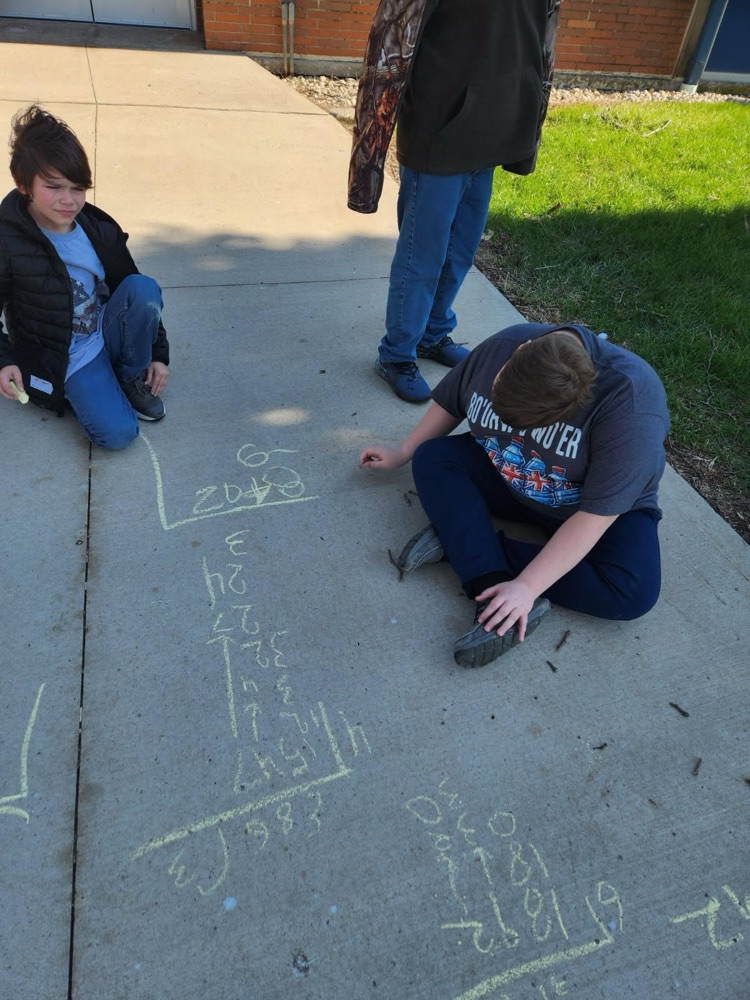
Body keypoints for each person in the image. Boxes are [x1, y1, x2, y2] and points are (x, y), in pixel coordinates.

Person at [359, 322, 670, 668]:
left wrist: (528, 586)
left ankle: (460, 544)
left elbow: (596, 516)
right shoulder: (502, 344)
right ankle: (486, 575)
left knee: (632, 592)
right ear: (520, 350)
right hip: (509, 477)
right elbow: (452, 402)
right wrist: (402, 452)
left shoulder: (633, 405)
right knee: (434, 456)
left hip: (587, 507)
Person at [348, 0, 561, 402]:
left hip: (493, 131)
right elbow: (388, 47)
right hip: (439, 134)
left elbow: (543, 42)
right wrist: (367, 165)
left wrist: (527, 125)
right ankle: (397, 354)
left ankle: (432, 334)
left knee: (460, 251)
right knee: (422, 257)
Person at [0, 105, 170, 449]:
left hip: (105, 328)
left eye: (78, 188)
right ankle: (92, 388)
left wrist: (157, 354)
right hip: (65, 355)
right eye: (54, 187)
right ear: (23, 184)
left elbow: (134, 291)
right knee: (118, 435)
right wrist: (5, 361)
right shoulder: (6, 240)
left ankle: (127, 376)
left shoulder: (98, 228)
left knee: (142, 288)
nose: (68, 200)